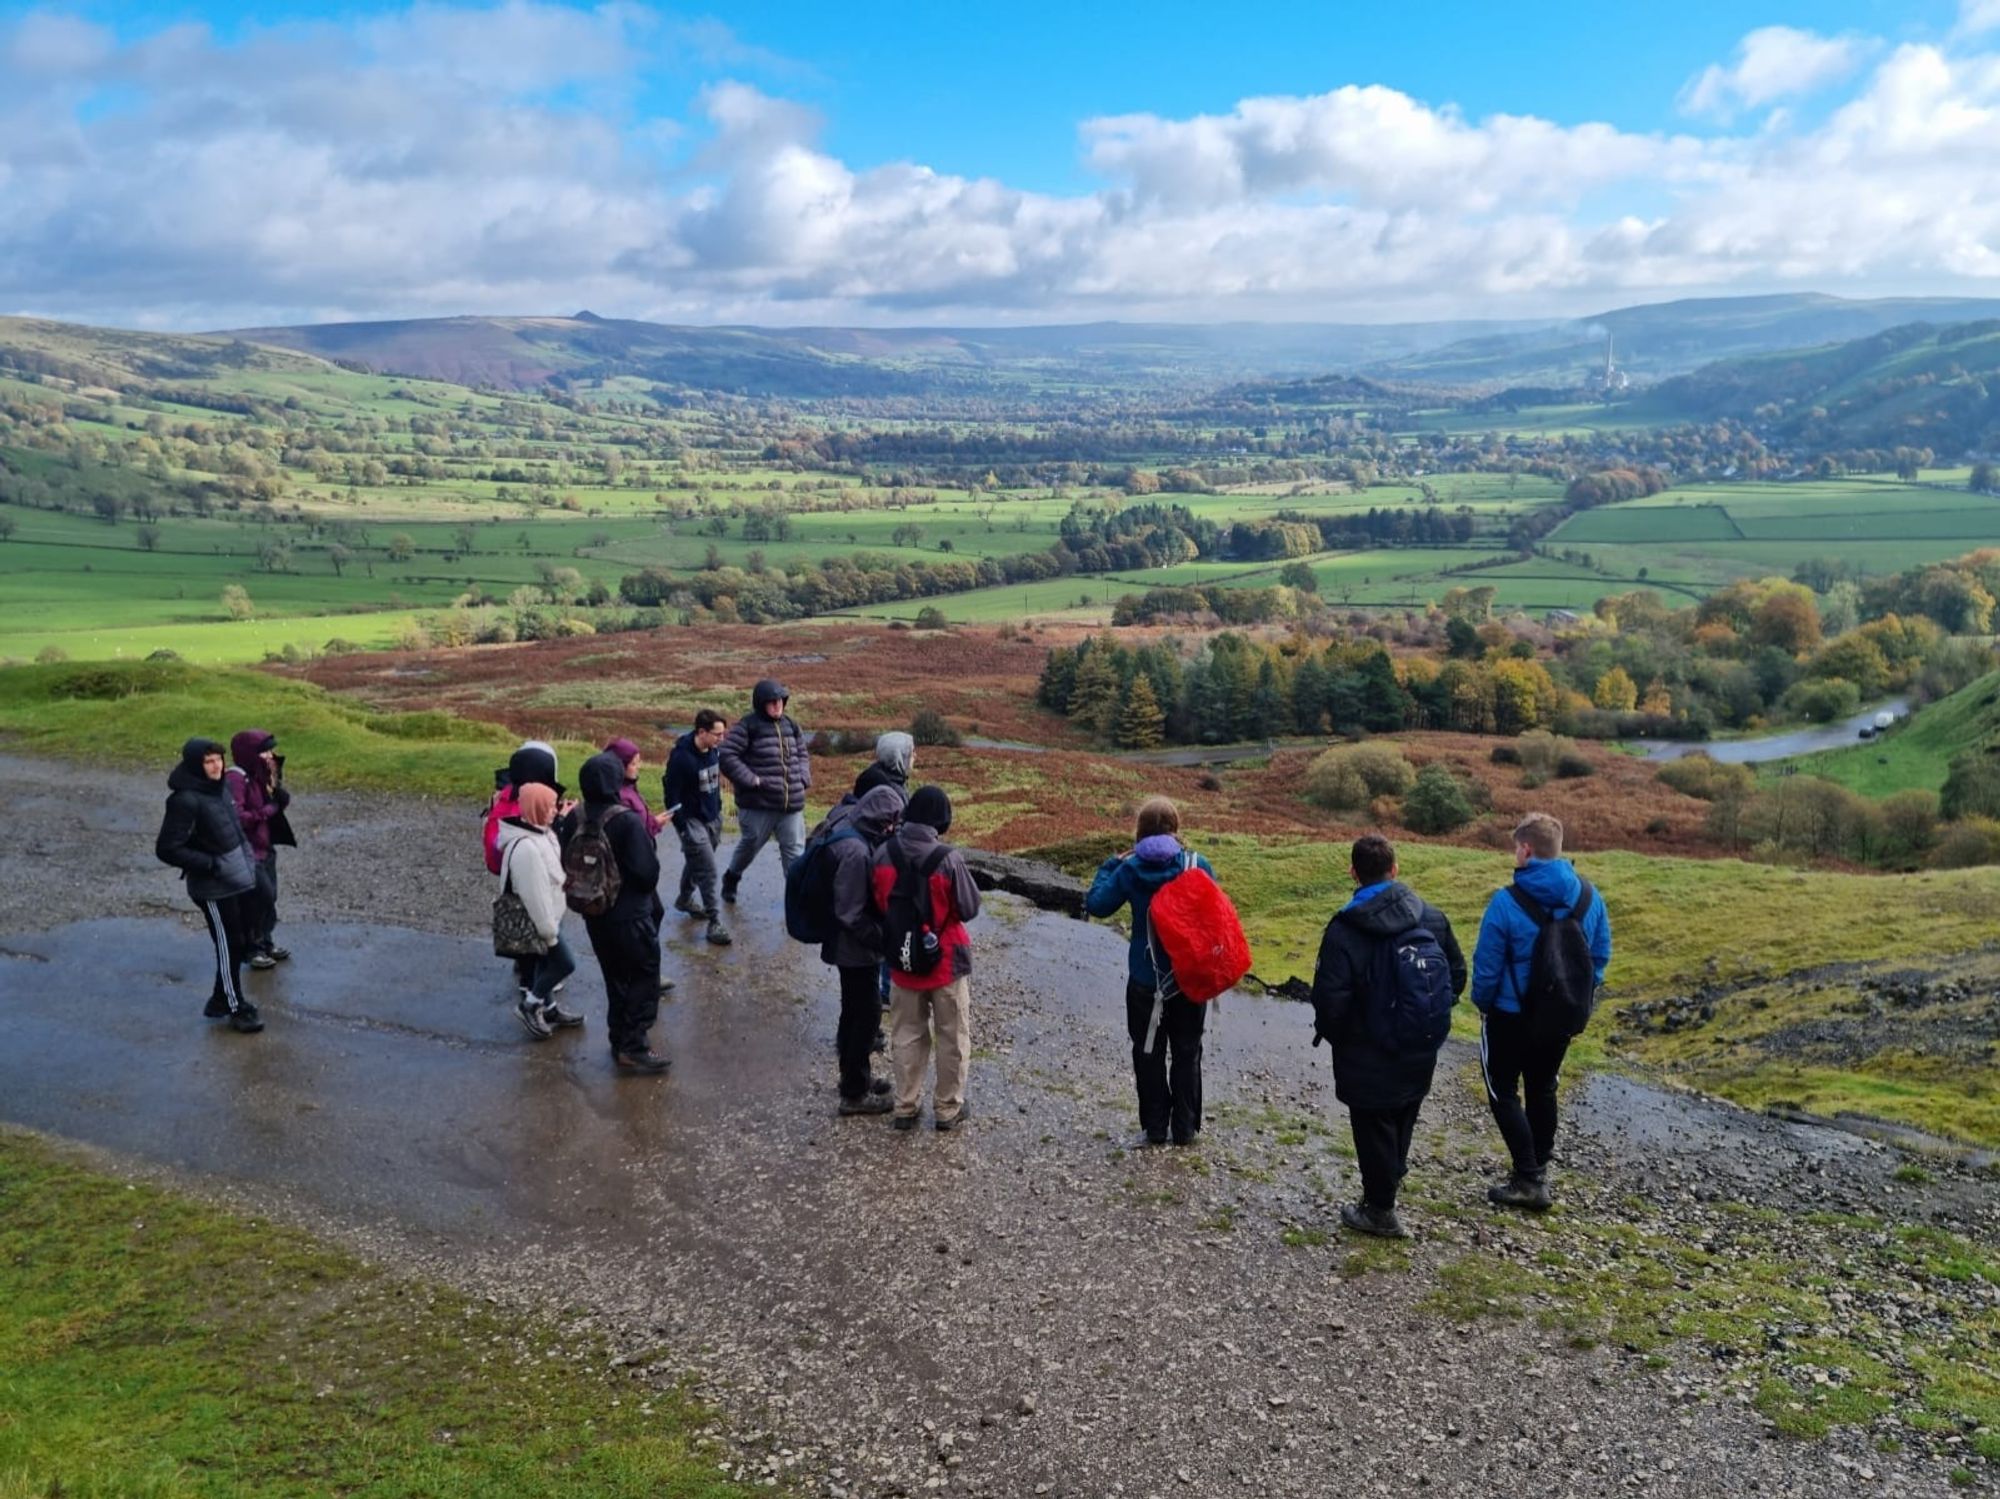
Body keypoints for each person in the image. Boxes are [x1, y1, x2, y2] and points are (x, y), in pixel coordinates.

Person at [1308, 834, 1466, 1239]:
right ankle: (1388, 1186)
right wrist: (1427, 1017)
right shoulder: (1431, 917)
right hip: (1419, 1044)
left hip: (1367, 1050)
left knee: (1372, 1123)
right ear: (1395, 869)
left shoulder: (1345, 928)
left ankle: (1380, 1210)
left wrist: (1343, 1037)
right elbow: (1456, 975)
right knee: (1402, 1115)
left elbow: (1330, 998)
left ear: (1353, 873)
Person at [1471, 811, 1612, 1212]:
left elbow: (1488, 963)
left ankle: (1528, 1177)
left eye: (1517, 847)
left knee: (1502, 1088)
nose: (1515, 853)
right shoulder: (1589, 896)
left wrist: (1484, 1003)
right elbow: (1600, 954)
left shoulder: (1506, 901)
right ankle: (1539, 1167)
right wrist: (1578, 993)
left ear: (1527, 850)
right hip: (1561, 1015)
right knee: (1543, 1085)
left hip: (1509, 1015)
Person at [1086, 796, 1214, 1148]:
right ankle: (1185, 1129)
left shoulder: (1129, 870)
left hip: (1145, 978)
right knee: (1188, 1052)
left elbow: (1096, 904)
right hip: (1188, 980)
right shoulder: (1196, 864)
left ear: (1139, 831)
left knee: (1147, 1052)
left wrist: (1109, 866)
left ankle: (1156, 1128)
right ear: (1175, 828)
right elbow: (1214, 917)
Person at [871, 786, 981, 1132]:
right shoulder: (948, 858)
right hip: (946, 962)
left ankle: (906, 1104)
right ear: (941, 819)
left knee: (906, 1033)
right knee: (952, 1036)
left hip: (901, 962)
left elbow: (877, 903)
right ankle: (947, 1108)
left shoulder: (883, 854)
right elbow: (968, 907)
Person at [154, 737, 263, 1033]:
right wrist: (211, 865)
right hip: (213, 888)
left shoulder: (220, 788)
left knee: (242, 941)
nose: (216, 766)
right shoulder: (184, 800)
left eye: (219, 760)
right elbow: (167, 848)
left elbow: (233, 830)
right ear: (196, 765)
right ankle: (234, 1005)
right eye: (209, 762)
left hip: (236, 878)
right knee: (228, 945)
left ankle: (219, 999)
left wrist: (248, 861)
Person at [575, 751, 670, 1075]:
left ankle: (619, 1040)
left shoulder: (575, 816)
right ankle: (634, 1046)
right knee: (644, 976)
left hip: (594, 912)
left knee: (614, 979)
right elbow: (647, 873)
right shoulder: (625, 820)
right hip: (631, 915)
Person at [819, 784, 904, 1115]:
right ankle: (854, 1094)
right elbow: (850, 913)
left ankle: (856, 1078)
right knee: (865, 1014)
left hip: (847, 946)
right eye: (891, 821)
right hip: (854, 948)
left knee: (853, 1010)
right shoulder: (856, 852)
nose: (893, 827)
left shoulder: (848, 827)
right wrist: (883, 939)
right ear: (880, 818)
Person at [494, 782, 585, 1040]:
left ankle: (551, 1009)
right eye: (549, 807)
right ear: (536, 808)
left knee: (543, 966)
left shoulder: (540, 833)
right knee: (565, 963)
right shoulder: (527, 849)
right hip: (541, 923)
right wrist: (549, 932)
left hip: (549, 918)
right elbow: (534, 896)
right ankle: (530, 1005)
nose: (555, 811)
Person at [484, 740, 569, 996]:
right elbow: (544, 840)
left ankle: (528, 974)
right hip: (533, 878)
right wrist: (561, 819)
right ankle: (535, 994)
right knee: (542, 930)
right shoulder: (528, 806)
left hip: (510, 876)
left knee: (525, 928)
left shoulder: (506, 799)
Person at [718, 679, 810, 905]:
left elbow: (802, 754)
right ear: (761, 704)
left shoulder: (791, 725)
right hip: (758, 804)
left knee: (795, 852)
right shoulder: (748, 726)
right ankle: (732, 877)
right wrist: (751, 779)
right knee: (750, 845)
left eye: (780, 701)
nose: (778, 706)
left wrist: (804, 777)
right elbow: (726, 754)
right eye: (772, 702)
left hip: (791, 805)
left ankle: (795, 900)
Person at [225, 728, 295, 969]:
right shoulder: (236, 779)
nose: (270, 755)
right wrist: (270, 810)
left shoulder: (260, 774)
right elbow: (239, 817)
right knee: (258, 899)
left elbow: (272, 801)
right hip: (247, 851)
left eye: (271, 750)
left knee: (270, 898)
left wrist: (277, 791)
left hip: (265, 848)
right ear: (250, 753)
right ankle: (252, 948)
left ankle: (266, 942)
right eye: (264, 750)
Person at [665, 710, 732, 946]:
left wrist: (719, 808)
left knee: (698, 862)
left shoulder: (714, 750)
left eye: (723, 733)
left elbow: (714, 783)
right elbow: (670, 795)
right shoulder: (681, 758)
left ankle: (684, 899)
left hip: (712, 818)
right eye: (717, 734)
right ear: (701, 732)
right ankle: (715, 922)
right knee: (708, 870)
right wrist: (683, 827)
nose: (721, 739)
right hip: (692, 821)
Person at [605, 738, 671, 835]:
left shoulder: (630, 787)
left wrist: (655, 823)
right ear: (620, 766)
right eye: (633, 764)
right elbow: (634, 834)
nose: (638, 767)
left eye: (638, 762)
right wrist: (654, 824)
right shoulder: (620, 797)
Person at [854, 731, 914, 803]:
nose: (915, 755)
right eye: (912, 751)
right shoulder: (894, 792)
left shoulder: (870, 776)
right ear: (901, 756)